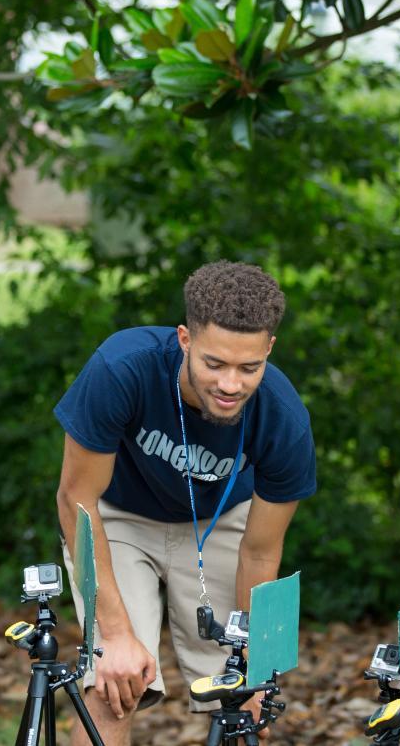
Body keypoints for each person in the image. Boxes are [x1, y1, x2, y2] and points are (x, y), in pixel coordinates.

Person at [55, 261, 317, 745]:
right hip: (118, 518)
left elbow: (260, 554)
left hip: (219, 524)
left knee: (244, 695)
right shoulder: (122, 368)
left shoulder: (284, 419)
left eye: (249, 367)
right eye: (214, 364)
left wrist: (252, 661)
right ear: (185, 339)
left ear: (269, 350)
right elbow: (77, 500)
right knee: (114, 681)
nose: (231, 385)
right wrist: (114, 635)